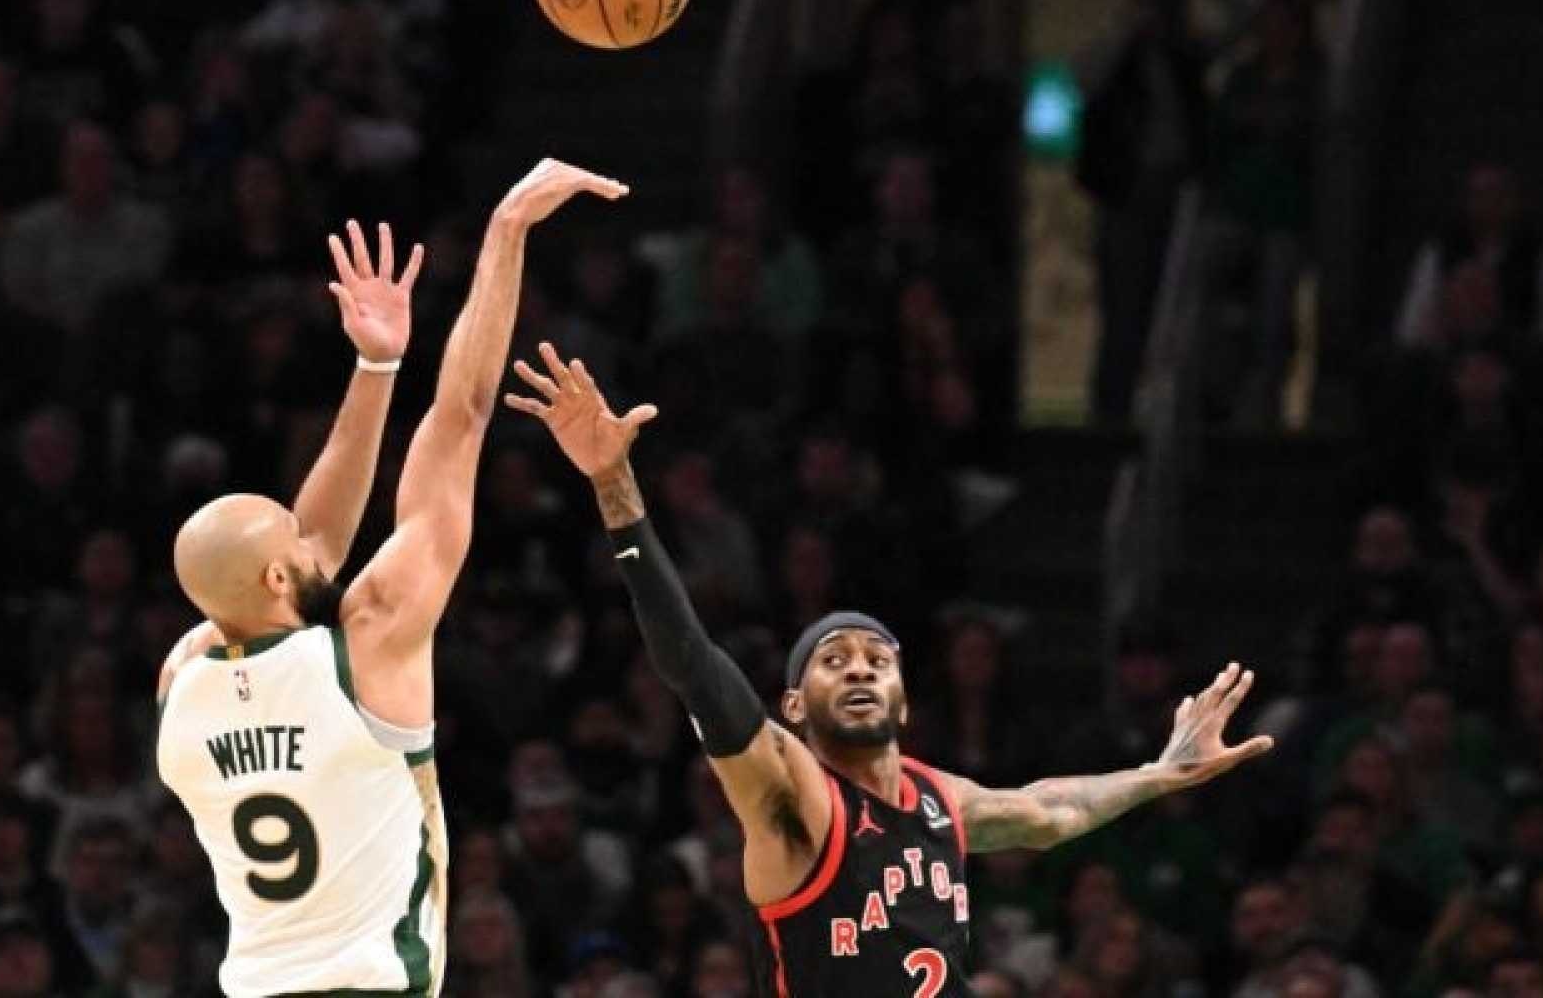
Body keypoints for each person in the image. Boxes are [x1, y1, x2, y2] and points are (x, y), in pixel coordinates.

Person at [507, 340, 1276, 997]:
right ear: (795, 708)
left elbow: (1052, 811)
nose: (861, 670)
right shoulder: (793, 796)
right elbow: (691, 663)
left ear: (906, 703)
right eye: (834, 661)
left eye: (879, 659)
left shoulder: (942, 800)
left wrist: (1160, 773)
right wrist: (614, 483)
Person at [154, 159, 627, 997]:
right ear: (276, 575)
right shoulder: (367, 647)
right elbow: (463, 418)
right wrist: (508, 231)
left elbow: (308, 556)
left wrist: (376, 369)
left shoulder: (182, 683)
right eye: (291, 540)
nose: (310, 536)